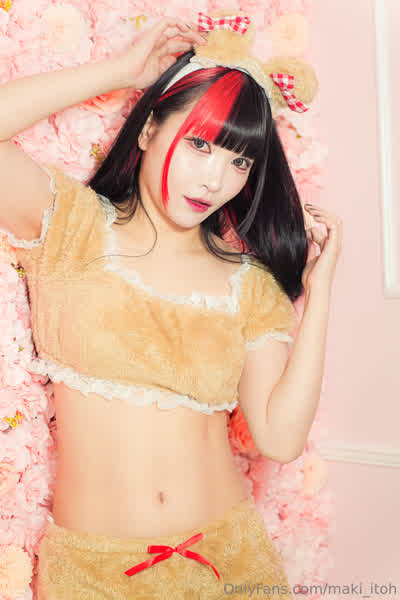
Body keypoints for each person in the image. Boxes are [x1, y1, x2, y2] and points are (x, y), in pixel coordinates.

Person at [0, 15, 342, 599]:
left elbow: (281, 440)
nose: (214, 179)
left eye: (239, 161)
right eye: (199, 145)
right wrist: (119, 71)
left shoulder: (249, 285)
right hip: (94, 576)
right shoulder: (70, 228)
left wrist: (321, 287)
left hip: (231, 565)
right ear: (147, 131)